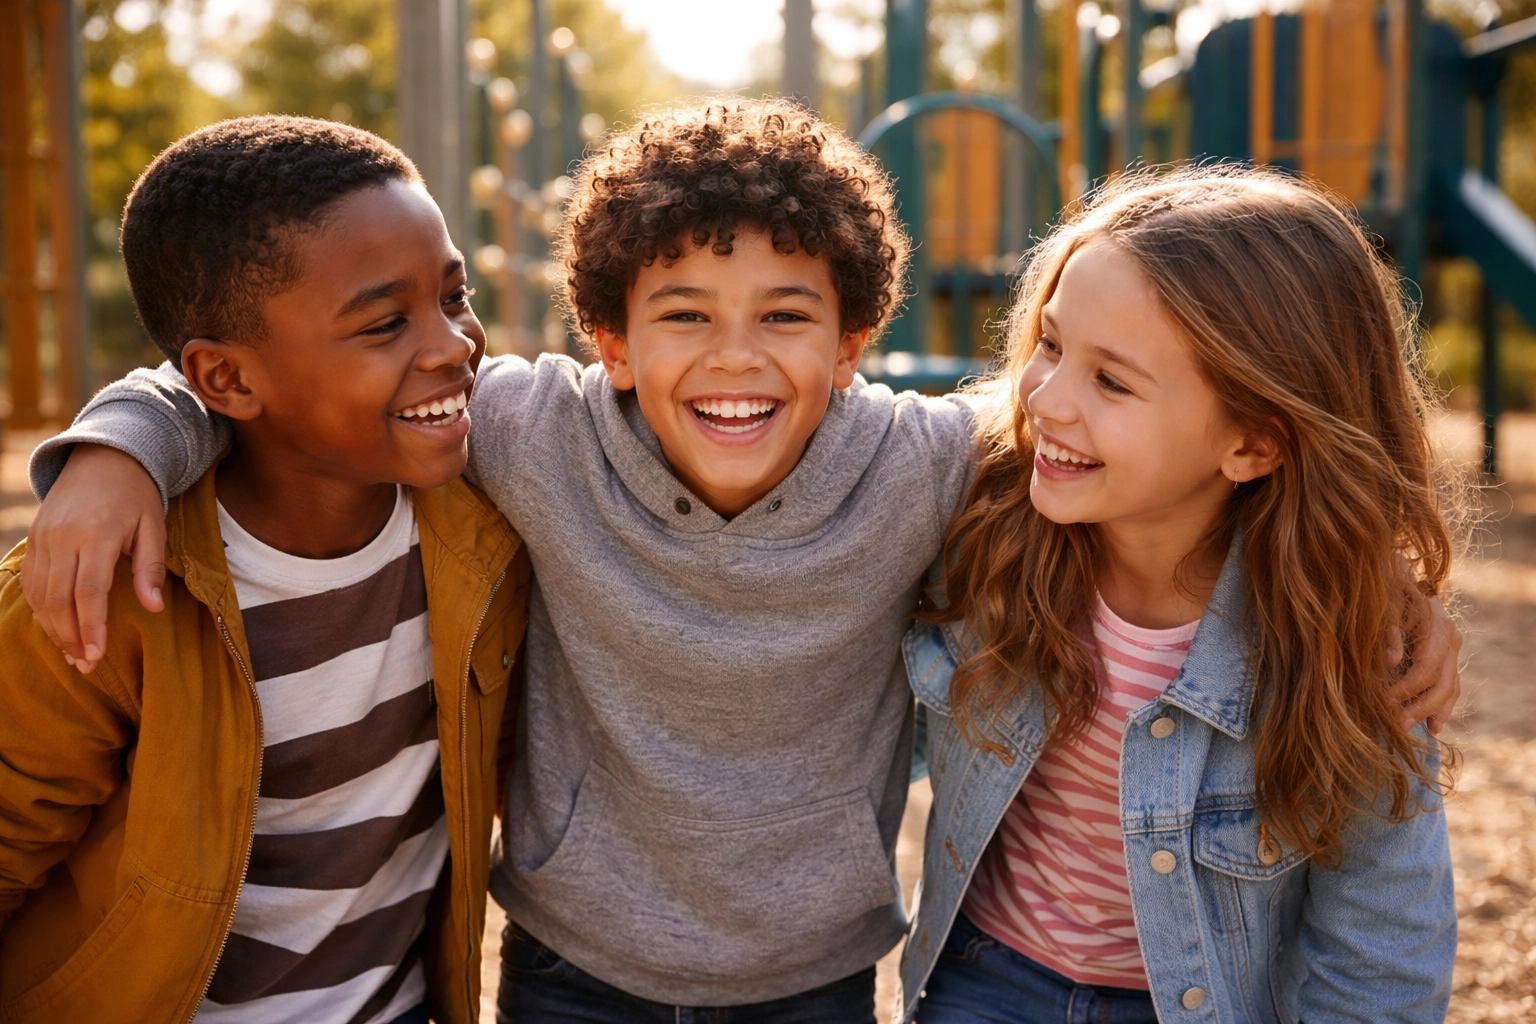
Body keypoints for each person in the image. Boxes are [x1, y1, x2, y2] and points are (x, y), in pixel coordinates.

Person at [19, 103, 1460, 1022]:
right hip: (575, 969)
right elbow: (269, 388)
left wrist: (1378, 577)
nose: (730, 358)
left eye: (785, 315)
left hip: (816, 980)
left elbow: (1186, 437)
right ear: (606, 342)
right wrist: (117, 445)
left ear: (852, 344)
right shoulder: (525, 432)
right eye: (681, 314)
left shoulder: (925, 463)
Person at [897, 168, 1461, 1024]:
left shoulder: (1351, 642)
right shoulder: (982, 510)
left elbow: (1385, 947)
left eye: (1111, 382)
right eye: (1050, 345)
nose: (1045, 400)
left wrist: (1379, 575)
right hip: (985, 976)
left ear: (1255, 443)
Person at [0, 117, 531, 1024]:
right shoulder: (99, 584)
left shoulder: (488, 518)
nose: (451, 345)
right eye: (384, 323)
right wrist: (117, 448)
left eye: (454, 295)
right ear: (229, 382)